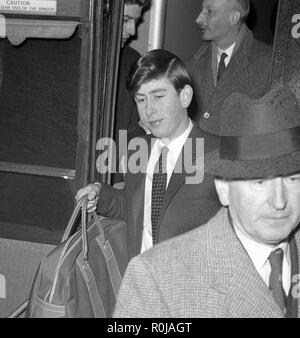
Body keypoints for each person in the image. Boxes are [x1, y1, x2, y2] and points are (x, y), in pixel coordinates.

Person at [113, 83, 300, 318]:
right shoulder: (156, 280)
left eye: (293, 179)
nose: (280, 201)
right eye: (259, 182)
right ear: (223, 187)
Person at [76, 49, 220, 260]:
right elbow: (137, 208)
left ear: (185, 96)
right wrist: (100, 195)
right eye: (141, 100)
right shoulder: (138, 148)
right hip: (140, 279)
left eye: (158, 97)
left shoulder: (216, 152)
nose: (149, 110)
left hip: (192, 286)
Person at [187, 0, 273, 134]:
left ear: (233, 18)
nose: (198, 19)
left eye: (209, 12)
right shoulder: (191, 66)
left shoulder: (271, 64)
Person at [114, 0, 151, 143]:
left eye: (135, 21)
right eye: (125, 20)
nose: (132, 31)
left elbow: (135, 129)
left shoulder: (134, 62)